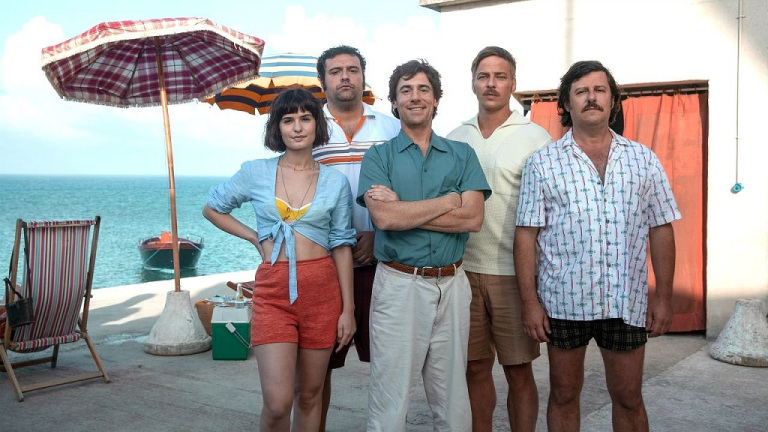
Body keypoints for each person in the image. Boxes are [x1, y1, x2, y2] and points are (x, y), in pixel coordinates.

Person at [514, 60, 681, 432]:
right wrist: (529, 302)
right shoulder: (542, 163)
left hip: (625, 300)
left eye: (599, 90)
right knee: (564, 395)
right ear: (566, 103)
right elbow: (526, 234)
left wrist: (664, 297)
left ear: (613, 101)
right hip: (563, 301)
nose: (591, 98)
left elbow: (661, 228)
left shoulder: (643, 160)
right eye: (581, 91)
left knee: (628, 397)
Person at [203, 88, 356, 432]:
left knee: (310, 396)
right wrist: (254, 236)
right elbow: (213, 208)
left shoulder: (335, 182)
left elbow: (342, 245)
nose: (297, 127)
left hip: (323, 293)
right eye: (288, 120)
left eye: (305, 118)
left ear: (317, 125)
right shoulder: (255, 172)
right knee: (277, 403)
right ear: (277, 128)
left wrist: (348, 310)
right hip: (273, 292)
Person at [358, 59, 491, 432]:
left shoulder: (462, 154)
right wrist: (448, 201)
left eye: (423, 89)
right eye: (406, 90)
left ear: (435, 100)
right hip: (399, 285)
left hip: (453, 285)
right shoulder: (378, 157)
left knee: (453, 399)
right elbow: (385, 219)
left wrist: (403, 207)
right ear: (394, 102)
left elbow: (473, 219)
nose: (415, 97)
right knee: (390, 399)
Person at [447, 46, 551, 432]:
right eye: (484, 76)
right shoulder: (455, 138)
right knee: (474, 368)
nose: (491, 84)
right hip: (462, 272)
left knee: (518, 370)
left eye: (500, 76)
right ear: (473, 82)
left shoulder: (536, 138)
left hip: (513, 273)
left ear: (513, 83)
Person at [311, 45, 400, 432]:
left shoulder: (390, 128)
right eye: (335, 71)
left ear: (364, 77)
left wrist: (379, 234)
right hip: (325, 263)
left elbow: (406, 189)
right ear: (323, 81)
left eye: (352, 69)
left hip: (384, 260)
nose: (345, 77)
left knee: (388, 363)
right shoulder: (310, 128)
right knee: (319, 367)